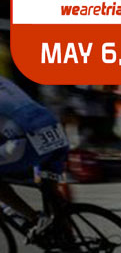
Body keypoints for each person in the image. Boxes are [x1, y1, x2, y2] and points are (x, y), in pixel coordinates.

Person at [0, 76, 70, 239]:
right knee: (49, 190)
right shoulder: (4, 80)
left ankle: (34, 218)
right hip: (55, 131)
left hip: (29, 139)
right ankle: (68, 241)